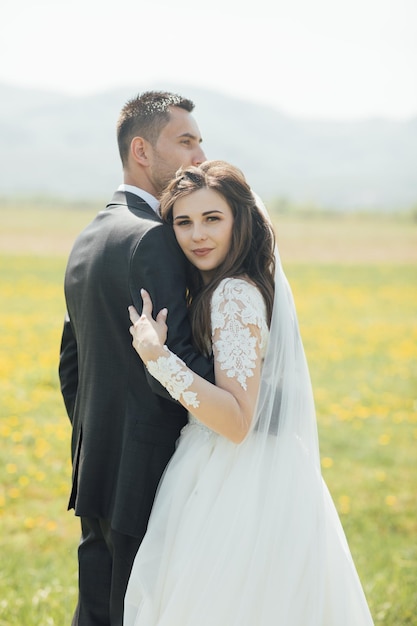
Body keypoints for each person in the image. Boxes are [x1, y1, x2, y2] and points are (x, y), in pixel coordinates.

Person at [124, 160, 375, 625]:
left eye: (212, 218)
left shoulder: (233, 295)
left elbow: (238, 422)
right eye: (184, 222)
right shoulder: (221, 288)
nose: (197, 234)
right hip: (236, 471)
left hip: (236, 478)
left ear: (240, 221)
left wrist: (157, 358)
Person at [59, 91, 215, 626]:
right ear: (143, 151)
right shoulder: (155, 239)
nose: (199, 156)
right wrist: (254, 396)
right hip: (147, 476)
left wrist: (99, 435)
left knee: (97, 614)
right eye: (186, 141)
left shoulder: (90, 234)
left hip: (96, 467)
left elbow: (70, 367)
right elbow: (171, 364)